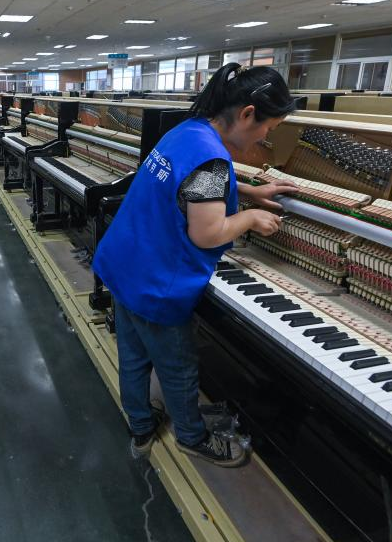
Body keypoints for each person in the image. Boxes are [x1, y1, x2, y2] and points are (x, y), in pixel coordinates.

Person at [92, 63, 299, 465]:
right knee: (178, 367)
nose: (264, 138)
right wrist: (250, 217)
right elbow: (207, 232)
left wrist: (249, 191)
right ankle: (192, 436)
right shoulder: (211, 158)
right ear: (247, 114)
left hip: (125, 264)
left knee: (133, 358)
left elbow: (190, 183)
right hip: (156, 282)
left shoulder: (188, 131)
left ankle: (140, 424)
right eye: (268, 128)